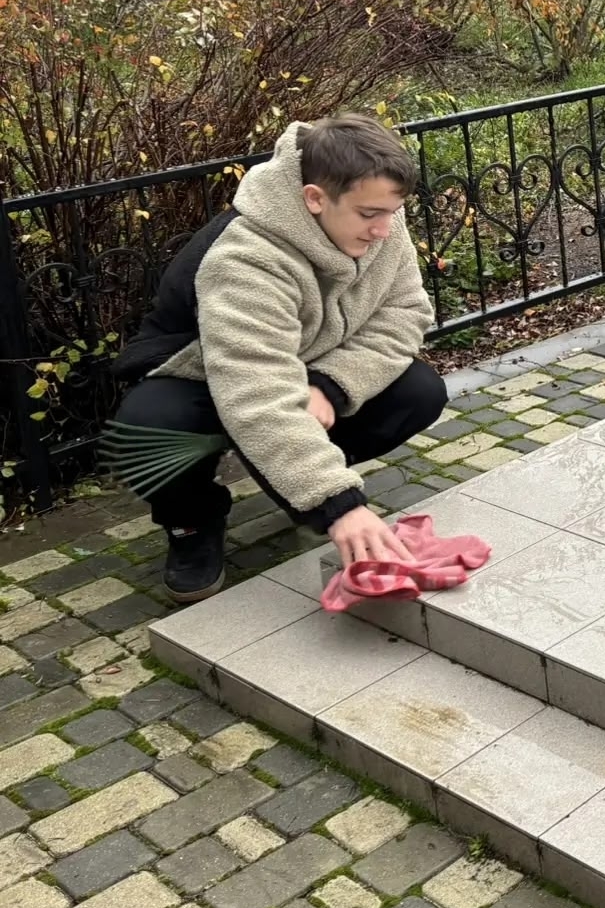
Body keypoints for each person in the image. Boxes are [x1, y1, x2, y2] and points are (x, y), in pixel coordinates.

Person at [112, 113, 446, 604]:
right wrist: (338, 504)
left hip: (306, 361)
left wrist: (329, 384)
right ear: (315, 198)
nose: (383, 229)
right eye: (369, 214)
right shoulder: (244, 258)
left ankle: (295, 472)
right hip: (202, 373)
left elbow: (404, 314)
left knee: (419, 391)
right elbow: (256, 389)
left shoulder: (379, 220)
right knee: (148, 429)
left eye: (392, 212)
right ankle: (193, 523)